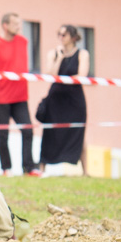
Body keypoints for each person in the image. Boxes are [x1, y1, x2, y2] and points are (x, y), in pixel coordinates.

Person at [0, 12, 40, 177]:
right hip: (1, 96)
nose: (19, 27)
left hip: (20, 95)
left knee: (28, 130)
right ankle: (6, 168)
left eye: (19, 24)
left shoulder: (23, 42)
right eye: (15, 24)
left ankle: (29, 167)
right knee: (4, 132)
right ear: (5, 25)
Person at [39, 25, 90, 175]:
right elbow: (50, 75)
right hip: (55, 100)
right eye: (59, 34)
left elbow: (82, 75)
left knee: (78, 132)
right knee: (49, 133)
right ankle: (42, 169)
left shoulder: (82, 53)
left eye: (64, 35)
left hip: (74, 100)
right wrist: (60, 58)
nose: (61, 37)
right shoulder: (53, 53)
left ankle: (85, 171)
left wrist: (63, 79)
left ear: (73, 37)